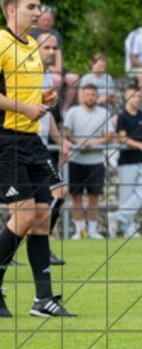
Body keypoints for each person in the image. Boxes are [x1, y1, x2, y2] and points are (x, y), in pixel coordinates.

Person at [0, 0, 75, 317]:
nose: (37, 12)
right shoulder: (1, 43)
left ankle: (43, 300)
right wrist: (24, 108)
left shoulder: (32, 45)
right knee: (25, 216)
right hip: (6, 140)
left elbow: (22, 94)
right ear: (11, 10)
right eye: (30, 7)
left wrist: (44, 100)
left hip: (32, 141)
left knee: (42, 218)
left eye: (38, 6)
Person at [34, 32, 70, 266]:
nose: (51, 52)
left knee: (31, 203)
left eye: (54, 48)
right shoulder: (28, 73)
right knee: (58, 191)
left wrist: (61, 141)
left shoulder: (47, 76)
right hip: (24, 143)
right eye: (46, 47)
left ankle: (36, 246)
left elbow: (48, 116)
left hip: (38, 146)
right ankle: (38, 245)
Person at [64, 84, 114, 240]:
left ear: (97, 96)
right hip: (76, 161)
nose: (90, 97)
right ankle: (79, 231)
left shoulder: (104, 113)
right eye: (87, 94)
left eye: (93, 94)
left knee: (94, 197)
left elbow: (109, 136)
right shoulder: (73, 112)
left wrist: (91, 144)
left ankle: (93, 230)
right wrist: (78, 143)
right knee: (76, 197)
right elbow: (67, 134)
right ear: (82, 95)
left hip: (96, 161)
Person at [114, 82, 142, 238]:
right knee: (126, 196)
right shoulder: (122, 117)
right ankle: (128, 229)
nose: (136, 99)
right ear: (126, 97)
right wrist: (141, 146)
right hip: (126, 162)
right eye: (133, 96)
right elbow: (122, 138)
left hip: (141, 160)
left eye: (138, 96)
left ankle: (120, 216)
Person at [30, 6, 80, 113]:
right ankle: (51, 108)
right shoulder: (31, 34)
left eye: (48, 20)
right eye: (43, 20)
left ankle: (64, 110)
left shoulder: (55, 34)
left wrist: (58, 68)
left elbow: (58, 55)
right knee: (57, 79)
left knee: (73, 79)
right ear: (38, 20)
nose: (46, 23)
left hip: (53, 66)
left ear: (52, 21)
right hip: (40, 65)